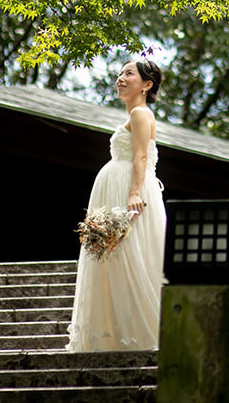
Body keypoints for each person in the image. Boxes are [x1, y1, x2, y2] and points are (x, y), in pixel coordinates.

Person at [67, 57, 167, 351]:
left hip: (128, 189)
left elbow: (141, 158)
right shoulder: (138, 113)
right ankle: (119, 332)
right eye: (120, 73)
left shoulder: (140, 114)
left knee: (128, 258)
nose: (121, 78)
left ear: (146, 85)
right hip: (120, 185)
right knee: (117, 260)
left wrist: (134, 194)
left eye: (129, 74)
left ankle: (136, 333)